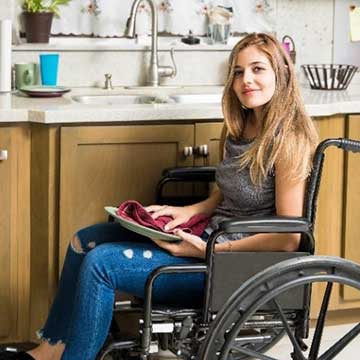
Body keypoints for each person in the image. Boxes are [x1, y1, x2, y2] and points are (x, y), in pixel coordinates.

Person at [1, 32, 318, 360]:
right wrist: (190, 211)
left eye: (257, 69)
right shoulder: (242, 126)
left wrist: (210, 250)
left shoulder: (288, 142)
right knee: (86, 241)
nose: (246, 80)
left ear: (280, 74)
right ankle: (50, 350)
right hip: (207, 241)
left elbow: (289, 238)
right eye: (238, 72)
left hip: (232, 268)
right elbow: (228, 189)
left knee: (102, 264)